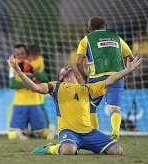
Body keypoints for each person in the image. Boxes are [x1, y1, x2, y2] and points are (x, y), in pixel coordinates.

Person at [9, 55, 142, 155]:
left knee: (117, 151)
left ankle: (84, 144)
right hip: (68, 131)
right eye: (64, 67)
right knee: (68, 150)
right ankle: (50, 148)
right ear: (60, 77)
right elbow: (35, 88)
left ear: (77, 77)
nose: (67, 66)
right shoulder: (56, 86)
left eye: (69, 66)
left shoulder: (86, 88)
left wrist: (127, 70)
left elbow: (109, 81)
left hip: (89, 132)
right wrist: (19, 71)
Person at [76, 16, 134, 142]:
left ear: (89, 29)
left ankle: (94, 134)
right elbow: (131, 58)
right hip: (117, 76)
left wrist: (84, 76)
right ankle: (115, 132)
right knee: (114, 108)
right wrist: (126, 70)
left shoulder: (86, 39)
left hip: (96, 78)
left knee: (91, 106)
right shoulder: (117, 38)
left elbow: (78, 61)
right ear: (105, 26)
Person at [8, 44, 55, 140]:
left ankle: (46, 130)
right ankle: (23, 133)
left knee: (42, 132)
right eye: (18, 54)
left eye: (22, 53)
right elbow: (12, 84)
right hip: (20, 103)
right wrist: (31, 84)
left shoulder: (38, 61)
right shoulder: (13, 63)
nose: (20, 56)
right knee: (13, 134)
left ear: (27, 52)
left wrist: (32, 69)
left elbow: (45, 79)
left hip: (36, 101)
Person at [26, 45, 53, 133]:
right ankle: (30, 130)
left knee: (41, 107)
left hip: (37, 87)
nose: (33, 58)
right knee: (29, 111)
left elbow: (40, 74)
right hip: (26, 91)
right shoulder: (24, 62)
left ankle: (48, 127)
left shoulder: (40, 60)